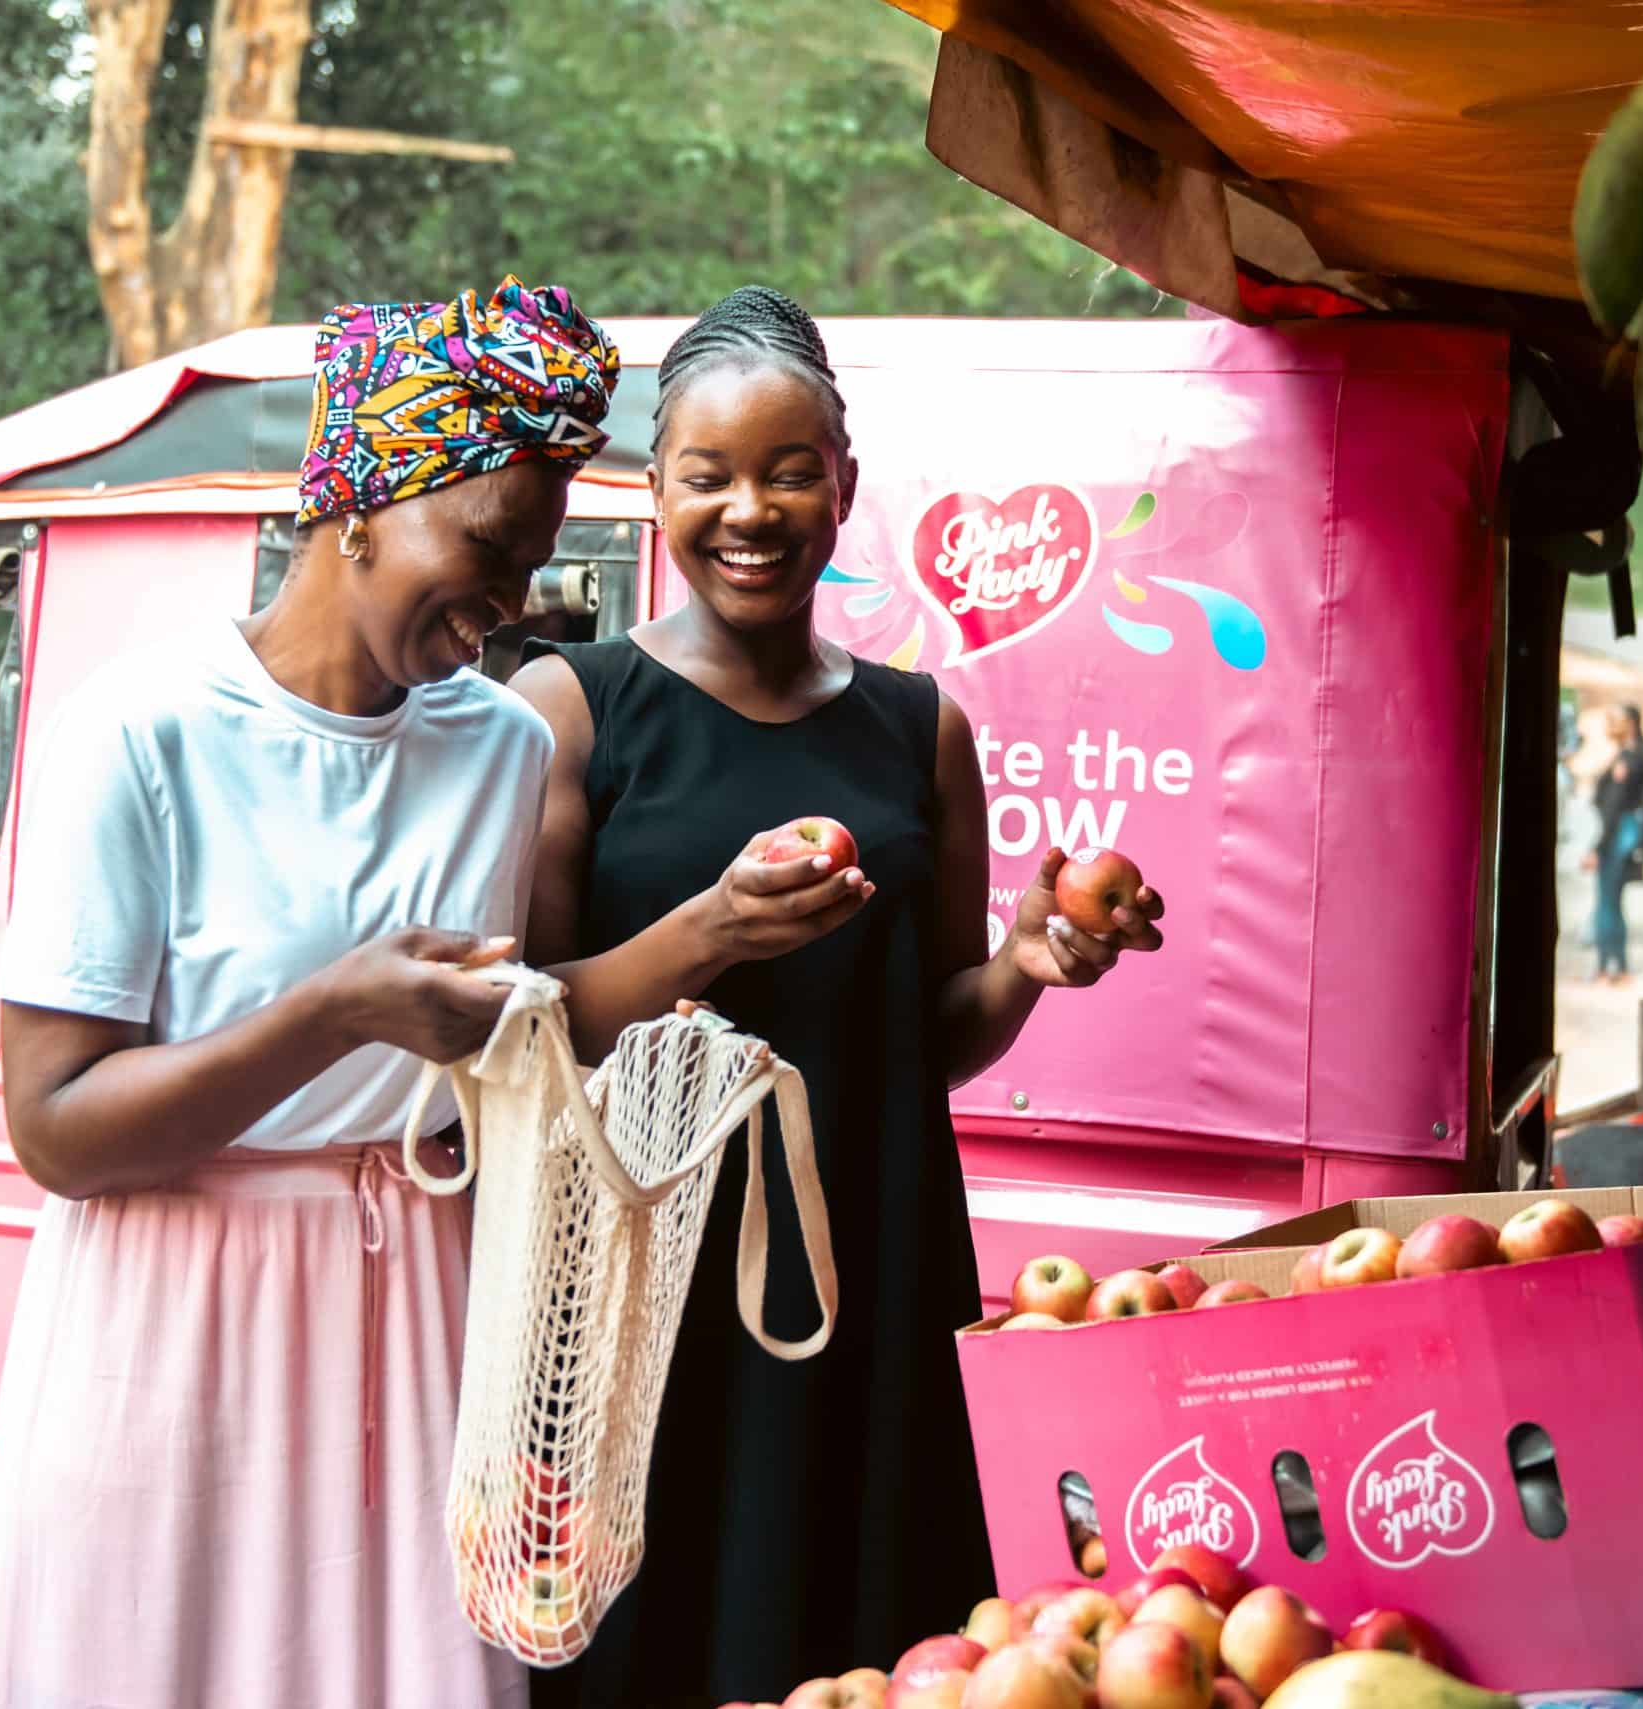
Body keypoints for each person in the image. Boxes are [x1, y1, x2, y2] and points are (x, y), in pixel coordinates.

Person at [514, 286, 1167, 1709]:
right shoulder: (577, 707)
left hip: (873, 1270)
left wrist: (1027, 966)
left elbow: (930, 1033)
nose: (751, 509)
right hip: (647, 1290)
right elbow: (530, 1030)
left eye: (789, 470)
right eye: (710, 475)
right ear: (654, 492)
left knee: (872, 1651)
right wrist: (704, 933)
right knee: (654, 1648)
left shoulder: (916, 726)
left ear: (844, 486)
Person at [0, 279, 622, 1709]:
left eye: (532, 566)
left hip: (412, 1340)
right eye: (486, 548)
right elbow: (55, 1131)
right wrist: (333, 1013)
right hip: (170, 1331)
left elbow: (521, 1062)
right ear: (362, 499)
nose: (509, 605)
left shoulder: (504, 753)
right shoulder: (136, 735)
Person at [1581, 702, 1643, 982]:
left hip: (1618, 835)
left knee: (1607, 902)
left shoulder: (1629, 760)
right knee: (1611, 902)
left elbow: (1613, 807)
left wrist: (1598, 847)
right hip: (1623, 833)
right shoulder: (1632, 756)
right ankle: (1615, 965)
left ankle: (1609, 966)